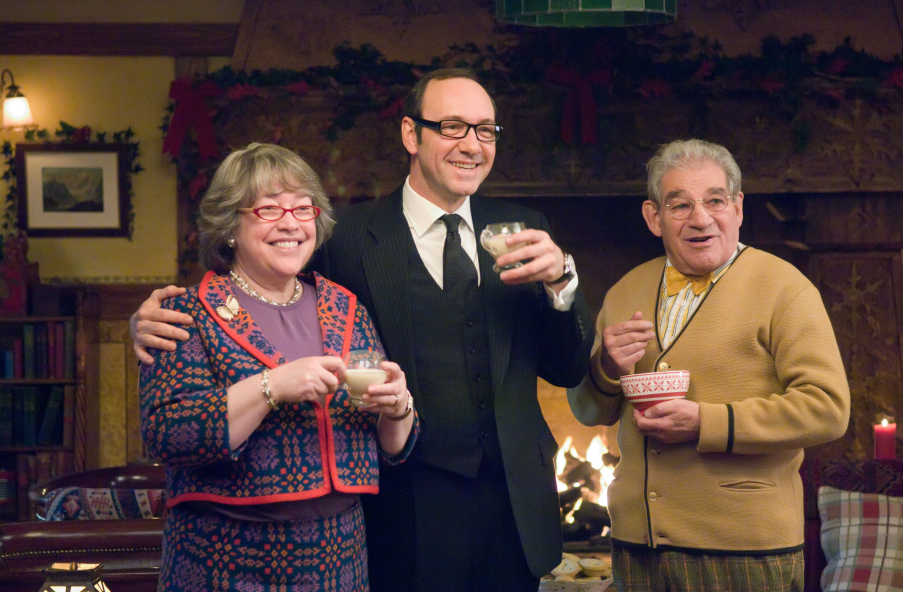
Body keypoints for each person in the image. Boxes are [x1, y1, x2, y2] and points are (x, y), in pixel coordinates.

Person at [132, 68, 594, 592]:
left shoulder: (527, 229)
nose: (472, 144)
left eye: (486, 130)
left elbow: (567, 367)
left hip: (514, 507)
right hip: (401, 510)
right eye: (453, 127)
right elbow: (260, 286)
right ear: (410, 134)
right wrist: (148, 320)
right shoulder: (344, 237)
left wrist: (562, 282)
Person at [568, 139, 850, 592]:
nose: (701, 219)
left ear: (737, 208)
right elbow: (587, 411)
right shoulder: (625, 290)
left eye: (715, 201)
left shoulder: (786, 289)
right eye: (680, 205)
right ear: (653, 217)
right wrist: (606, 367)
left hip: (744, 550)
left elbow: (828, 409)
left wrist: (707, 422)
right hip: (636, 549)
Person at [139, 142, 418, 592]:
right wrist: (271, 386)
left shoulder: (345, 307)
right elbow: (168, 435)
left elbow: (394, 446)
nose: (290, 223)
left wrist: (398, 407)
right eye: (269, 209)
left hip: (340, 559)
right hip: (224, 561)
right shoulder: (186, 314)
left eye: (303, 208)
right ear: (230, 226)